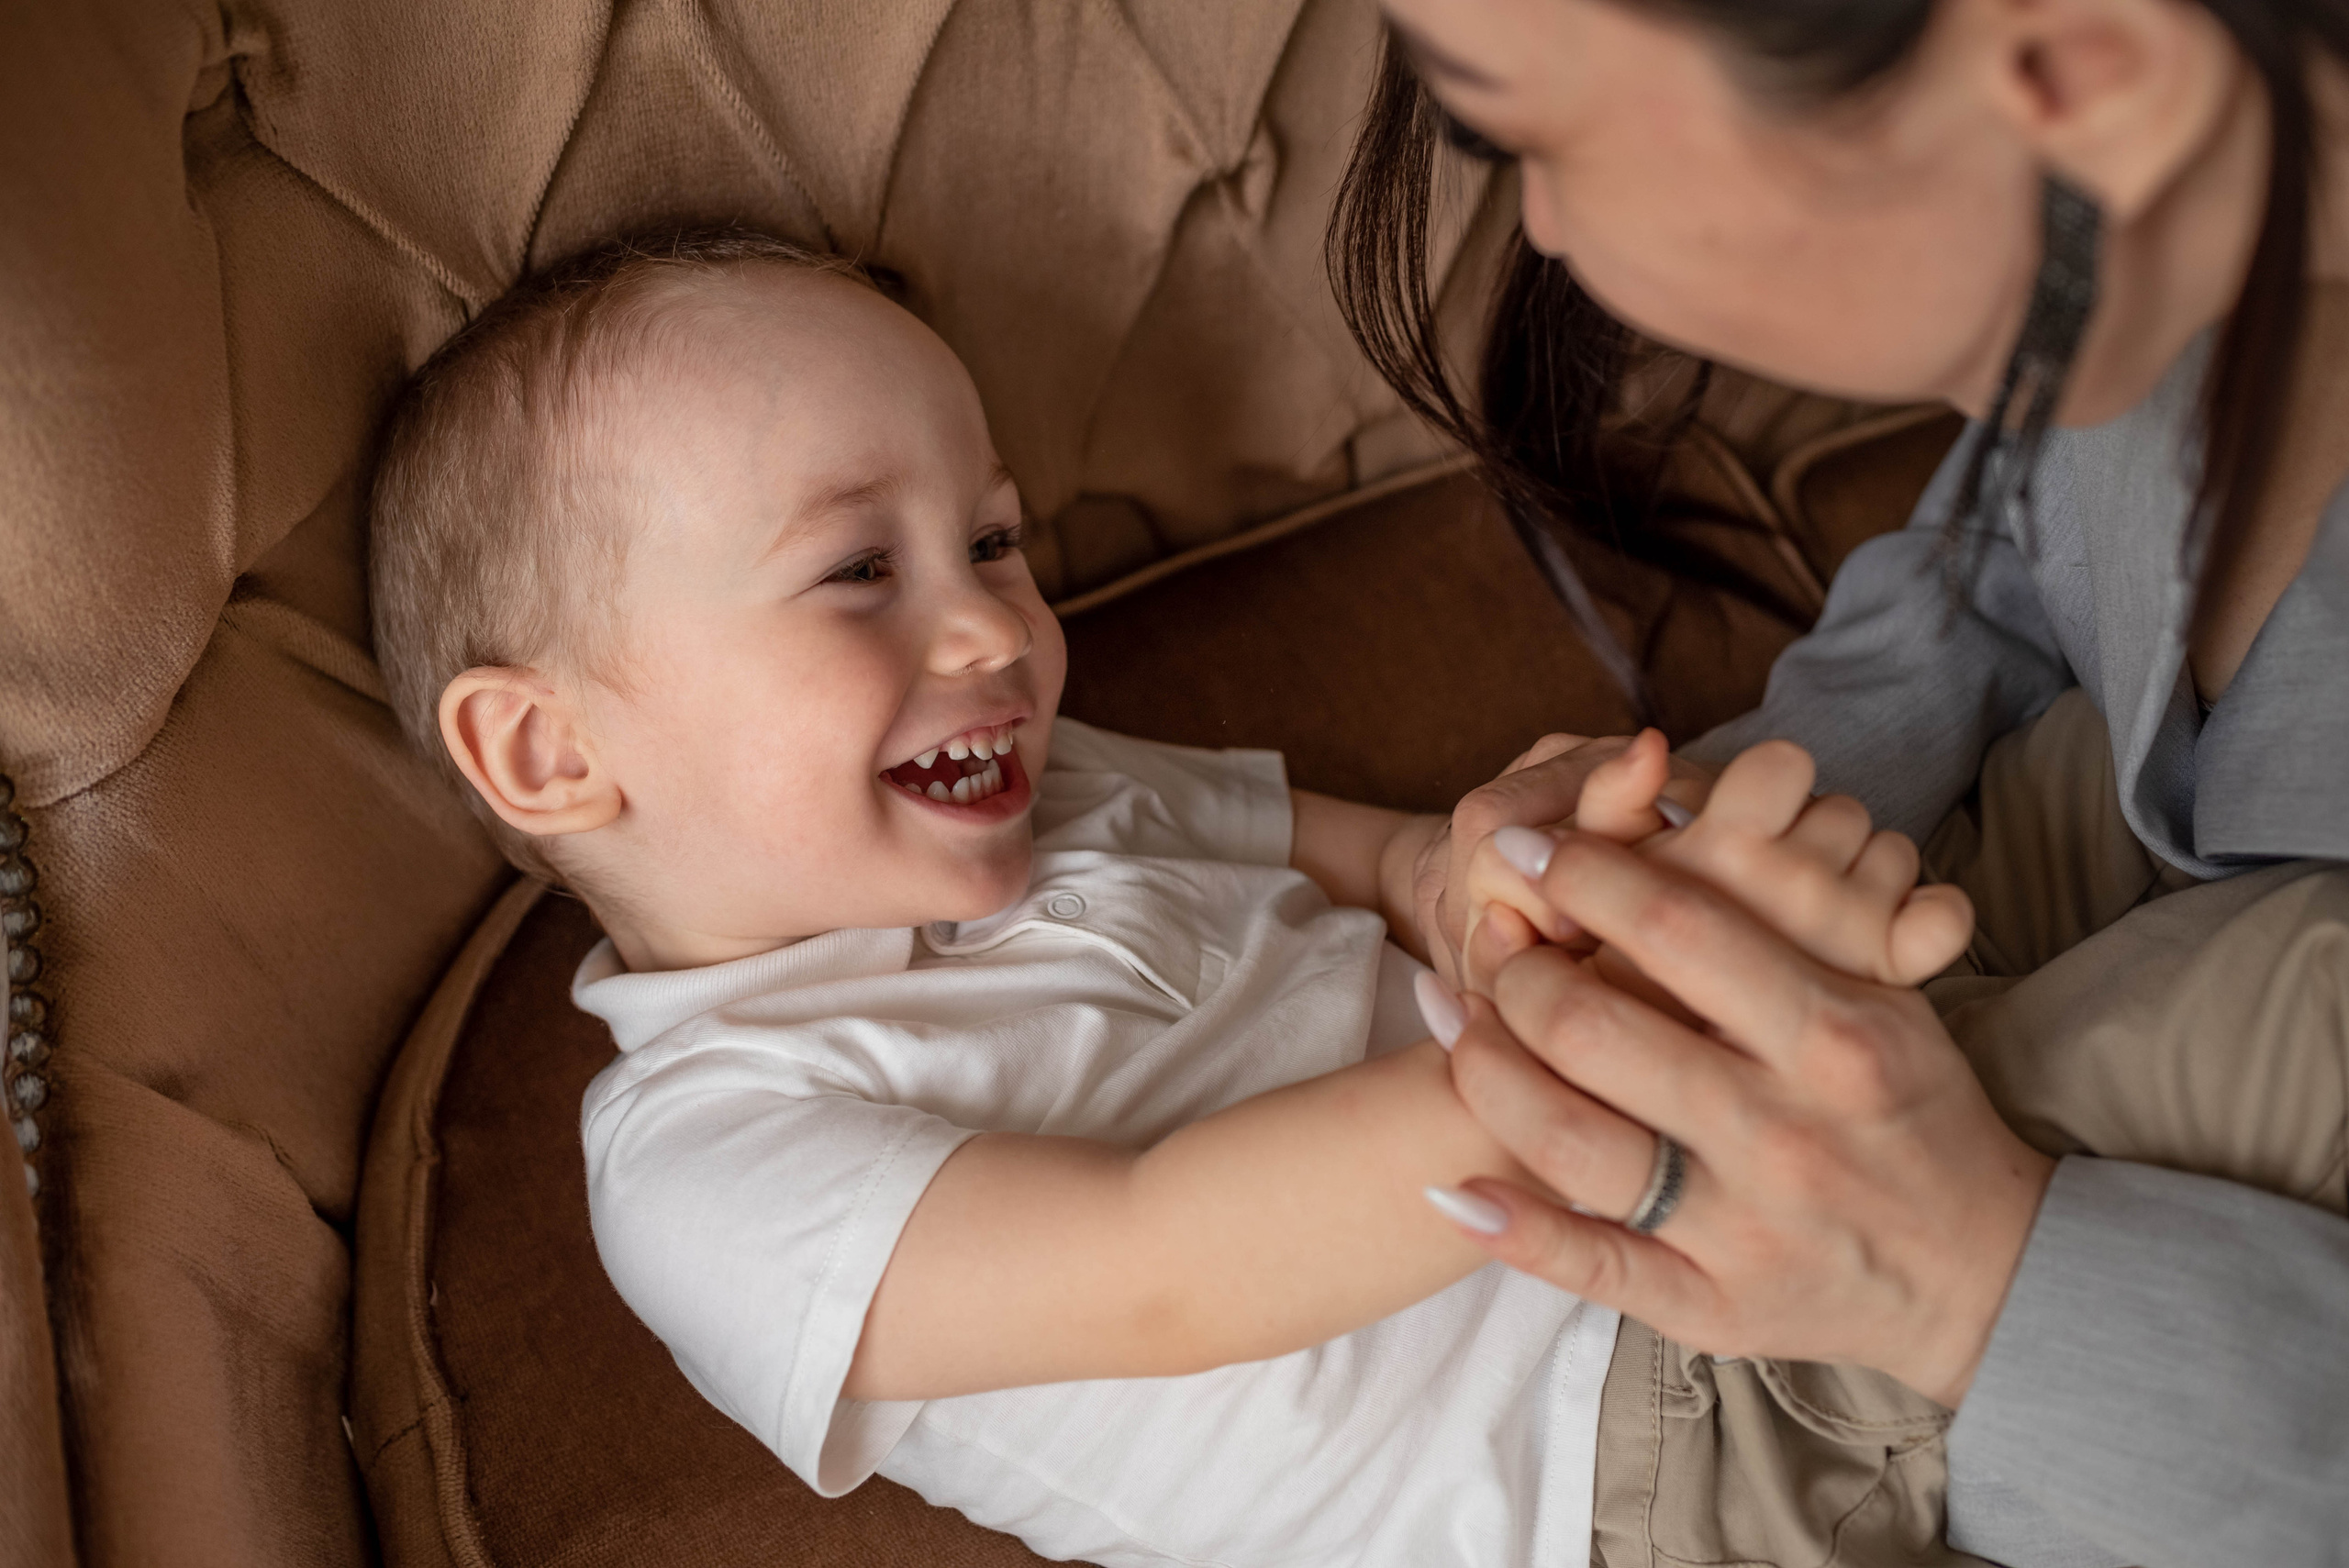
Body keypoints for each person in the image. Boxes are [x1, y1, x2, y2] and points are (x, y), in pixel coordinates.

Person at [364, 230, 1990, 1567]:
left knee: (2044, 832)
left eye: (992, 540)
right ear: (546, 747)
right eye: (861, 570)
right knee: (2195, 1064)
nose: (996, 630)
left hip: (1701, 1101)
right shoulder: (709, 1163)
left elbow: (1361, 856)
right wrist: (1579, 1041)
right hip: (1624, 1427)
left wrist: (1481, 875)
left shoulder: (1038, 782)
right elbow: (1164, 1260)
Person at [1331, 2, 2349, 1564]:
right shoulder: (2157, 236)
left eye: (1517, 131)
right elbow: (2019, 556)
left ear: (2088, 74)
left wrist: (1972, 1278)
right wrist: (1723, 823)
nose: (1533, 224)